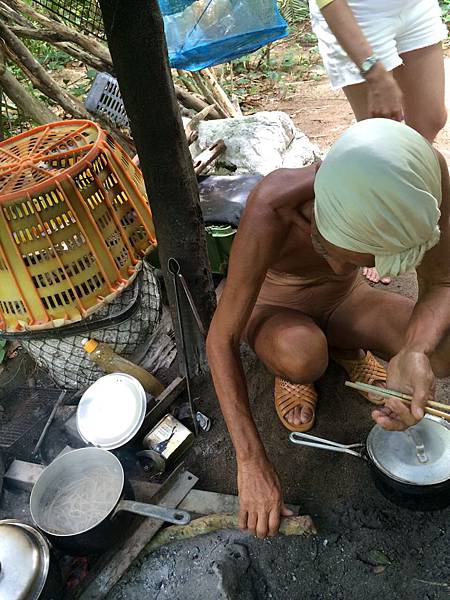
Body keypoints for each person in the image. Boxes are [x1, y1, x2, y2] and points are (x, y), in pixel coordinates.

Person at [206, 118, 450, 539]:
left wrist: (414, 351)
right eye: (328, 248)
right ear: (320, 210)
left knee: (443, 350)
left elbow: (443, 281)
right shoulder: (272, 204)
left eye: (359, 259)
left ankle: (346, 348)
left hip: (344, 300)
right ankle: (297, 370)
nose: (339, 266)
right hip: (274, 304)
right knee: (302, 354)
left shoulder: (421, 182)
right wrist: (250, 461)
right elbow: (221, 338)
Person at [309, 0, 448, 283]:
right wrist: (374, 73)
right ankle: (376, 239)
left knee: (431, 119)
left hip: (413, 5)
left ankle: (409, 220)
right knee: (382, 139)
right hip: (357, 13)